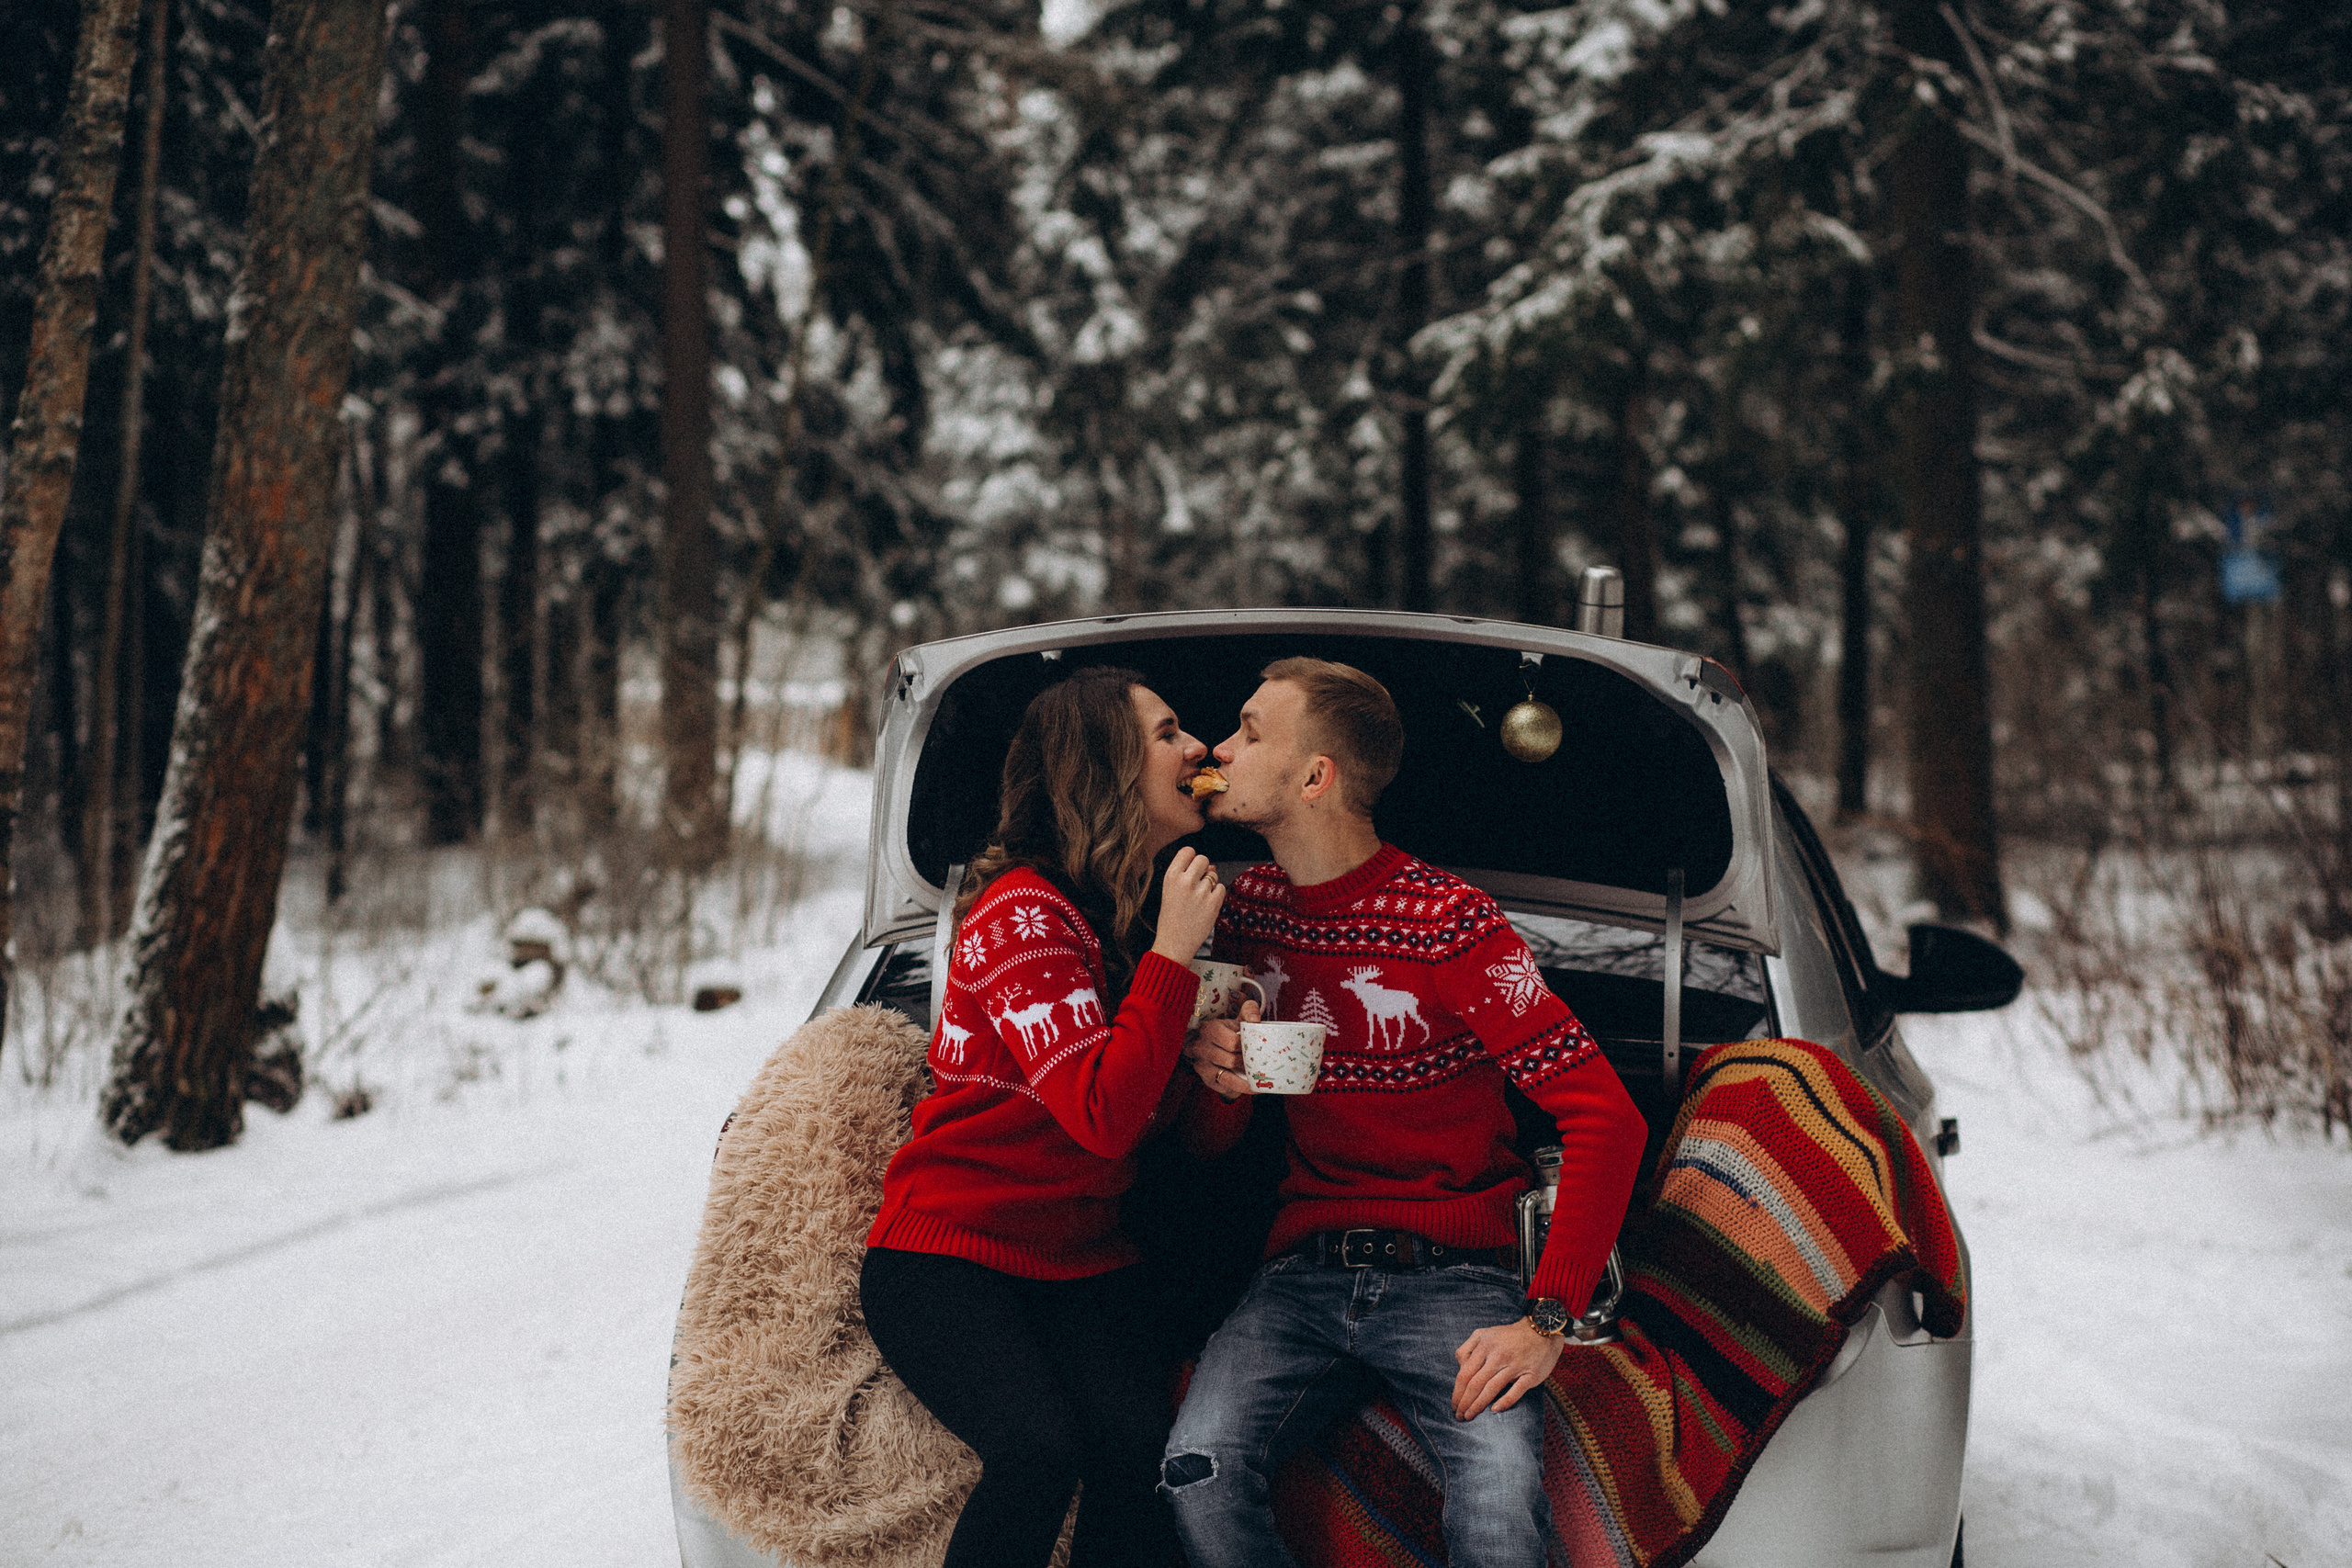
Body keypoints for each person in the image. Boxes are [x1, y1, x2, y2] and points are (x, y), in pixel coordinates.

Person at [1165, 657, 1648, 1568]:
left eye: (1250, 732)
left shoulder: (1453, 926)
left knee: (1501, 1516)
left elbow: (1605, 1118)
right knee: (1197, 1474)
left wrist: (1547, 1318)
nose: (1219, 751)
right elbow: (1211, 1141)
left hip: (1457, 1279)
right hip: (1299, 1275)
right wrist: (1219, 1082)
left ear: (1316, 778)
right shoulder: (1247, 917)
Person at [861, 666, 1227, 1568]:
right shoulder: (1022, 913)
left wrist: (1225, 1076)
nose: (1200, 751)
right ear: (1106, 766)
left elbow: (1190, 1141)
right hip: (947, 1256)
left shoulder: (1131, 931)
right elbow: (1100, 1117)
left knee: (1136, 1453)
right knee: (1036, 1452)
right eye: (1170, 732)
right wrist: (1177, 960)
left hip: (1079, 1257)